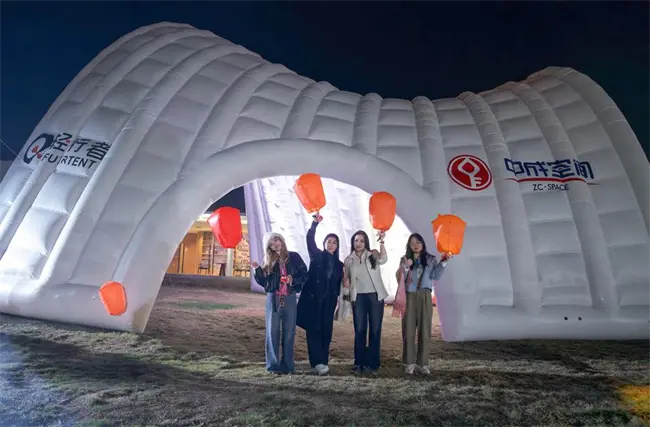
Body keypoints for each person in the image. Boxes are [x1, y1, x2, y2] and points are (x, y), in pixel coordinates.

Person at [395, 233, 452, 375]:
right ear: (408, 245)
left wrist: (443, 262)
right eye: (412, 243)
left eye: (418, 242)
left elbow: (435, 276)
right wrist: (405, 267)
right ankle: (409, 362)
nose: (415, 245)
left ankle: (423, 363)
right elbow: (399, 278)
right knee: (408, 330)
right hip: (409, 296)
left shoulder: (431, 259)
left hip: (425, 296)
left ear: (423, 243)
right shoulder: (404, 259)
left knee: (425, 331)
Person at [252, 232, 308, 374]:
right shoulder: (269, 261)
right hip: (273, 299)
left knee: (289, 332)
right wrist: (257, 270)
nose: (275, 244)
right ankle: (273, 365)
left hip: (289, 297)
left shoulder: (294, 257)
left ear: (282, 240)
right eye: (271, 244)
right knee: (272, 332)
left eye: (276, 240)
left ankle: (288, 365)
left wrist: (292, 279)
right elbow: (264, 283)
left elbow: (304, 274)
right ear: (269, 247)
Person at [296, 214, 344, 375]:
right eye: (329, 241)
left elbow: (339, 283)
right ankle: (317, 361)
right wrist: (314, 224)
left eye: (334, 242)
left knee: (326, 331)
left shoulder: (339, 265)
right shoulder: (316, 256)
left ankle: (323, 360)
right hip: (313, 300)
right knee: (313, 330)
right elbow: (309, 239)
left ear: (337, 246)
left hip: (329, 302)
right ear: (324, 243)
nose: (331, 244)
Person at [343, 229, 388, 374]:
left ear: (366, 242)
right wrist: (346, 282)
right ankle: (359, 362)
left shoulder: (372, 255)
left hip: (375, 296)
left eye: (362, 241)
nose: (359, 243)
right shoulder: (348, 260)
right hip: (359, 298)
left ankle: (373, 364)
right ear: (352, 242)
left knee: (375, 330)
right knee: (359, 330)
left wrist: (381, 242)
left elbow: (384, 259)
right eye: (356, 240)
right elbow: (346, 279)